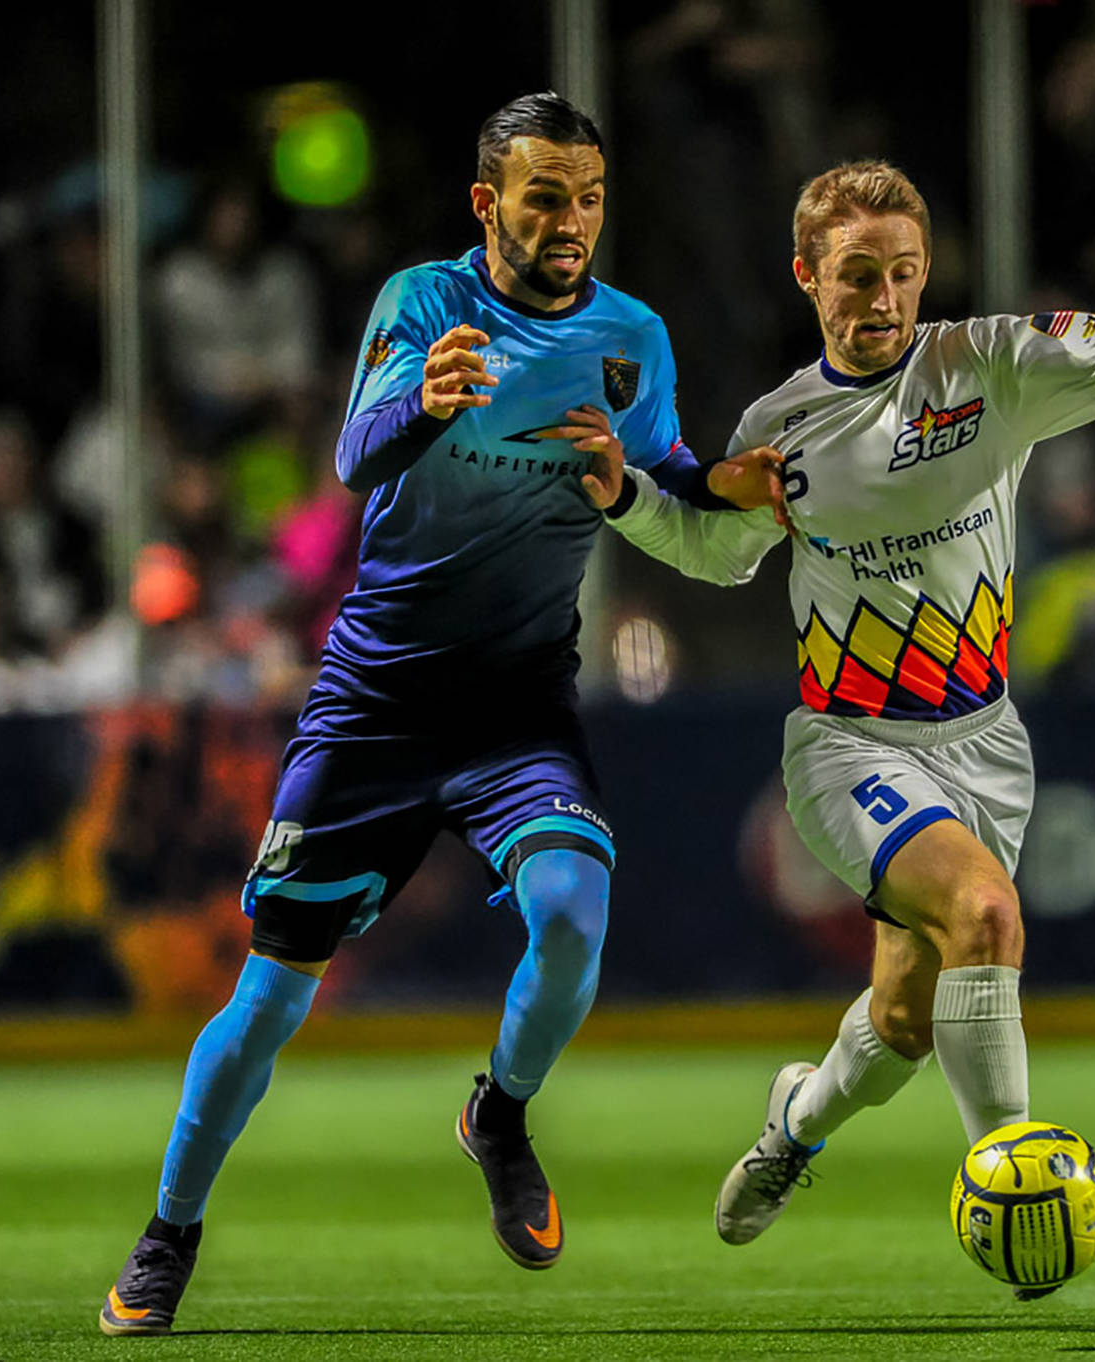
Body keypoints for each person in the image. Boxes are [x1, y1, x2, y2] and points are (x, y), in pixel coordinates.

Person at [579, 160, 1095, 1295]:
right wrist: (626, 497)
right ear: (808, 278)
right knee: (987, 910)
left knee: (905, 1020)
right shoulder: (782, 426)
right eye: (857, 275)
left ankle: (792, 1126)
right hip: (850, 745)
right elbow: (717, 555)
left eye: (903, 272)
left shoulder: (988, 365)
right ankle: (1014, 1176)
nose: (884, 297)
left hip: (986, 743)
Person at [98, 92, 774, 1336]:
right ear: (486, 203)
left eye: (587, 198)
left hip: (518, 701)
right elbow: (356, 456)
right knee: (267, 1004)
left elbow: (667, 467)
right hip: (377, 701)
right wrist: (429, 404)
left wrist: (729, 482)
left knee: (574, 916)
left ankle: (500, 1115)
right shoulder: (425, 305)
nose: (569, 221)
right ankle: (168, 1232)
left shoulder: (632, 337)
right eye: (542, 197)